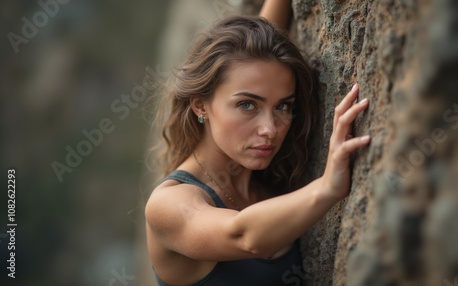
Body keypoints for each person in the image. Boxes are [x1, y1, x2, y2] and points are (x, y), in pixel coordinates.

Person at [145, 1, 371, 285]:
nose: (270, 129)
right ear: (200, 105)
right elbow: (243, 235)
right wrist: (327, 188)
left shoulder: (266, 180)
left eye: (283, 107)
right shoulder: (167, 205)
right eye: (248, 105)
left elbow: (253, 63)